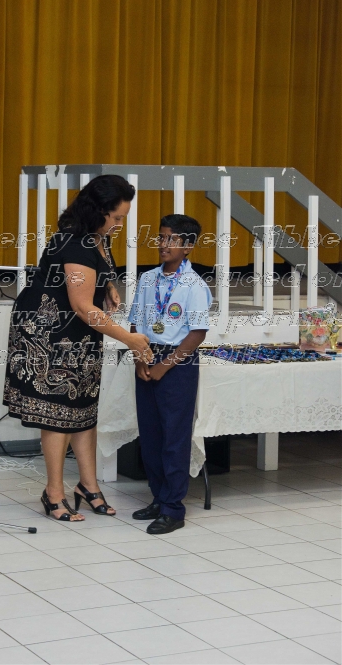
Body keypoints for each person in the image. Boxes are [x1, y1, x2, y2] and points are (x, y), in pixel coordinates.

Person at [4, 175, 152, 521]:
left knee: (84, 407)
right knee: (58, 412)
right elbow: (83, 306)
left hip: (80, 334)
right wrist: (129, 339)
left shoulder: (97, 236)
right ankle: (54, 492)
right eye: (116, 218)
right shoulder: (74, 243)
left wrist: (108, 286)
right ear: (97, 211)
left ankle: (88, 486)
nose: (119, 225)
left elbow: (99, 271)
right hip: (50, 333)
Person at [129, 214, 212, 534]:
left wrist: (164, 365)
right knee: (151, 436)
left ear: (188, 246)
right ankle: (158, 497)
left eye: (171, 239)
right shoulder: (147, 279)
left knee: (174, 438)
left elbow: (197, 333)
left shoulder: (194, 285)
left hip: (177, 363)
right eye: (161, 238)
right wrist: (140, 359)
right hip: (147, 355)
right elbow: (135, 321)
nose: (163, 244)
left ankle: (173, 508)